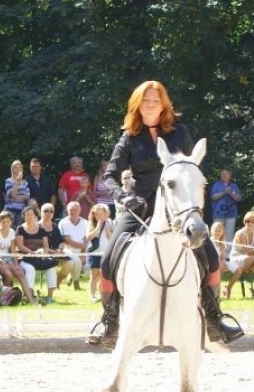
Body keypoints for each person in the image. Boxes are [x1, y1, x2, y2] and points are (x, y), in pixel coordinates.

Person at [89, 80, 243, 347]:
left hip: (177, 208)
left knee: (210, 257)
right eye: (146, 101)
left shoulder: (179, 133)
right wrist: (124, 197)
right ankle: (110, 322)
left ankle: (214, 318)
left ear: (164, 105)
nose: (151, 105)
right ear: (137, 105)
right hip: (140, 207)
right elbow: (110, 175)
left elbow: (192, 170)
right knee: (107, 261)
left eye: (156, 101)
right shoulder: (129, 137)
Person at [0, 210, 35, 304]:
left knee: (20, 273)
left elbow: (13, 250)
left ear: (11, 222)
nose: (6, 224)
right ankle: (6, 298)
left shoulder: (12, 232)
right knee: (8, 274)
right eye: (3, 222)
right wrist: (2, 262)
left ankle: (31, 300)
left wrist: (16, 264)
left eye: (8, 221)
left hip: (8, 257)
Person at [15, 204, 58, 304]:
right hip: (25, 258)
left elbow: (46, 246)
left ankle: (49, 297)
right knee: (30, 270)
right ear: (24, 217)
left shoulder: (41, 229)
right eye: (27, 215)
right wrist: (33, 253)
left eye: (31, 214)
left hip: (39, 258)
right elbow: (20, 246)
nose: (29, 217)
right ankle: (29, 296)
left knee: (51, 268)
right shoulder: (20, 229)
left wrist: (44, 255)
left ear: (35, 216)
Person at [223, 210, 254, 299]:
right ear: (244, 222)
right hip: (237, 259)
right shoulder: (240, 233)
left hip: (250, 259)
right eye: (247, 221)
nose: (250, 224)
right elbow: (247, 252)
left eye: (253, 221)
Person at [85, 203, 113, 303]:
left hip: (106, 253)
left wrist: (108, 231)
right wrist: (97, 228)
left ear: (106, 214)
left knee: (103, 274)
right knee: (94, 274)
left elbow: (112, 239)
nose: (99, 216)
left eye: (101, 214)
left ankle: (102, 294)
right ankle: (92, 295)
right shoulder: (91, 223)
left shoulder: (110, 222)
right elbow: (88, 237)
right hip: (94, 253)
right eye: (96, 214)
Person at [57, 201, 88, 291]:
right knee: (75, 261)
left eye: (75, 209)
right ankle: (75, 281)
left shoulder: (86, 223)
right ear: (67, 211)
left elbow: (87, 239)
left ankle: (72, 277)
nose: (73, 212)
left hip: (82, 250)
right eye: (71, 210)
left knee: (87, 266)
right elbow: (67, 240)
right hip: (67, 250)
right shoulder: (63, 223)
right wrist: (83, 247)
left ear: (80, 210)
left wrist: (83, 252)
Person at [210, 168, 241, 253]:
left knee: (229, 235)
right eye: (222, 174)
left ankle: (227, 255)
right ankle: (215, 253)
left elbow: (238, 198)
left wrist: (231, 193)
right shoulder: (216, 184)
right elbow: (213, 197)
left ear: (230, 175)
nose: (224, 175)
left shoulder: (234, 185)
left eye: (226, 174)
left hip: (231, 214)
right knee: (216, 233)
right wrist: (224, 192)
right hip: (218, 213)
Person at [3, 160, 30, 226]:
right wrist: (17, 182)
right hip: (10, 211)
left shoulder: (25, 183)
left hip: (21, 211)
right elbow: (12, 194)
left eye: (19, 167)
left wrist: (15, 196)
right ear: (12, 169)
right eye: (15, 167)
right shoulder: (9, 181)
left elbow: (27, 196)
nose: (17, 169)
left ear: (22, 169)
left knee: (19, 230)